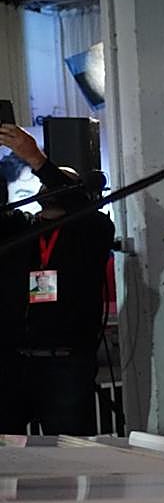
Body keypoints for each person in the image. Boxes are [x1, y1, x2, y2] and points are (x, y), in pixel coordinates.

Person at [0, 123, 113, 436]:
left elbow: (81, 210)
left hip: (65, 365)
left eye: (63, 185)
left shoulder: (92, 231)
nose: (51, 188)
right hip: (12, 363)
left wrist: (38, 160)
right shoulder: (18, 230)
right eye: (49, 184)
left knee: (68, 463)